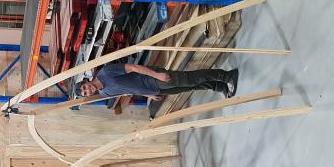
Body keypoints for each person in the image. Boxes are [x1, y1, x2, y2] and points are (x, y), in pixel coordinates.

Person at [76, 63, 239, 100]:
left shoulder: (105, 73)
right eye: (85, 93)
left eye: (84, 88)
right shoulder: (105, 92)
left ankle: (226, 76)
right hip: (154, 90)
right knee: (190, 87)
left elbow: (132, 68)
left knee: (190, 78)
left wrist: (156, 75)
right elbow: (128, 90)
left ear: (86, 81)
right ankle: (219, 86)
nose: (87, 91)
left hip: (153, 79)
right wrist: (149, 95)